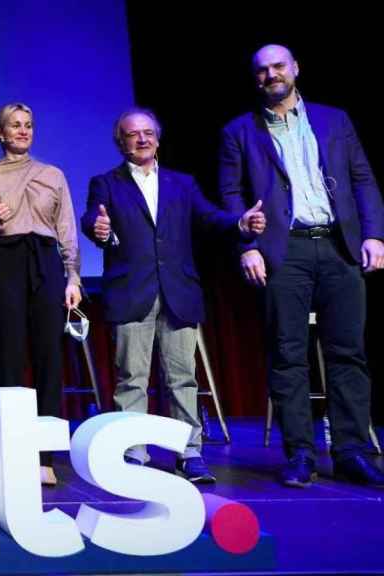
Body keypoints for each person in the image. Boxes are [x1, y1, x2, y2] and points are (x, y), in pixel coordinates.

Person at [219, 44, 384, 488]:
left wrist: (374, 234)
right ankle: (301, 454)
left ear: (295, 69)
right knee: (288, 355)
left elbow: (363, 177)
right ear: (255, 79)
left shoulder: (334, 119)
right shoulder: (239, 131)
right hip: (282, 251)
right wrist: (246, 244)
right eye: (261, 70)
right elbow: (231, 196)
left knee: (348, 353)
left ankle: (353, 452)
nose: (270, 74)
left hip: (338, 245)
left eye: (277, 66)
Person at [82, 108, 266, 483]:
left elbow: (210, 217)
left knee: (182, 378)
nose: (142, 139)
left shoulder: (182, 183)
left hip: (179, 292)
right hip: (132, 291)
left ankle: (190, 453)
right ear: (121, 141)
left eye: (149, 132)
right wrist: (97, 228)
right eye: (133, 134)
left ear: (159, 139)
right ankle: (132, 452)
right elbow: (92, 219)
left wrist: (239, 223)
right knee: (131, 377)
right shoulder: (106, 183)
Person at [0, 103, 81, 485]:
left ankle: (44, 457)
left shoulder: (52, 174)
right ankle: (12, 453)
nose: (23, 131)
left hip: (44, 262)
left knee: (48, 358)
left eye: (28, 125)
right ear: (0, 133)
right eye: (14, 125)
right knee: (8, 358)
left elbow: (66, 230)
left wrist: (73, 277)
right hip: (4, 262)